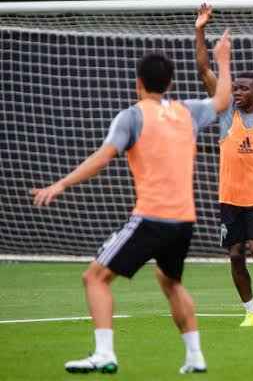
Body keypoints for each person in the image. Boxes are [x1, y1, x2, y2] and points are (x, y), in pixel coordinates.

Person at [31, 31, 233, 374]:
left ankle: (104, 353)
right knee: (170, 282)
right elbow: (222, 101)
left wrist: (61, 183)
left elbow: (103, 156)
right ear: (169, 83)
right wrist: (223, 60)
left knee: (94, 278)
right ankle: (195, 356)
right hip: (184, 221)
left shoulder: (132, 116)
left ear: (138, 82)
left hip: (151, 218)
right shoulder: (187, 112)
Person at [195, 3, 253, 327]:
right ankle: (251, 312)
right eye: (234, 87)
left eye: (243, 88)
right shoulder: (226, 114)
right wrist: (200, 29)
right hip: (229, 197)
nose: (236, 92)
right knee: (235, 254)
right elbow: (204, 70)